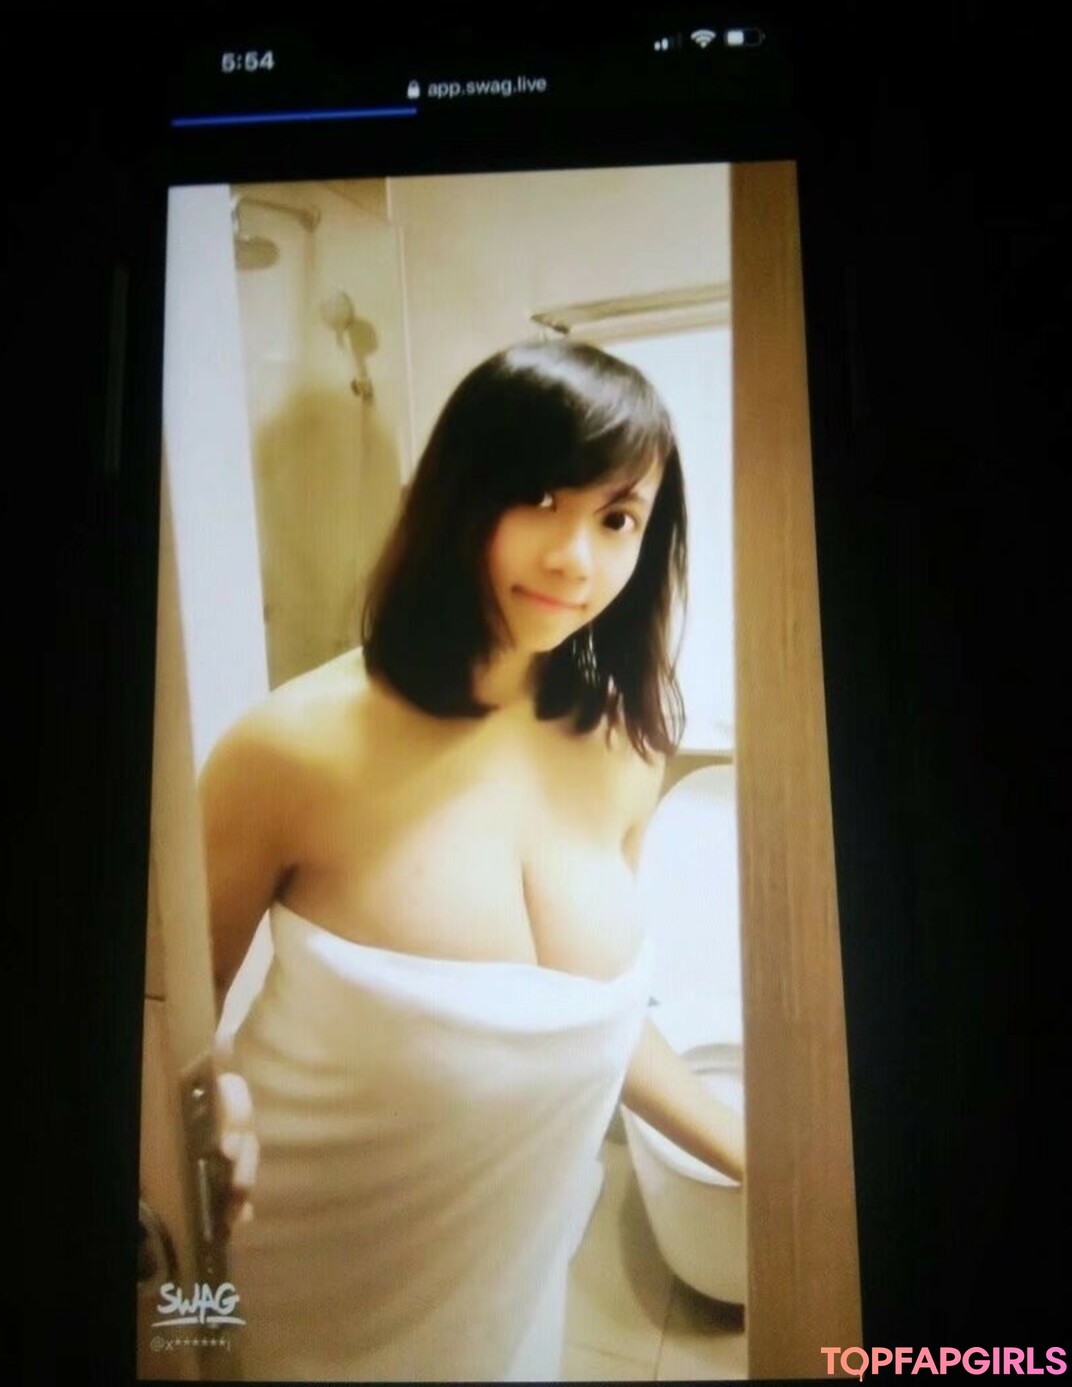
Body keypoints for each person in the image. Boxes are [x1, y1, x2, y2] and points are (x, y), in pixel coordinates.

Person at [202, 340, 745, 1381]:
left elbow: (596, 1015)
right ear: (461, 494)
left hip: (510, 1278)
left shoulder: (630, 748)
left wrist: (756, 1158)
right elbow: (165, 1021)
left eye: (617, 518)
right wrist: (208, 1091)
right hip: (297, 1266)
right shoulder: (286, 749)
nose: (576, 558)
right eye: (539, 498)